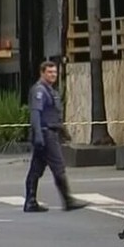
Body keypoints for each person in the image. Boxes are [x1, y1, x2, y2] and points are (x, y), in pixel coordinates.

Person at [24, 60, 88, 212]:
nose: (53, 75)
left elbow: (52, 114)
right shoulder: (39, 90)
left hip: (50, 132)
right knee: (58, 166)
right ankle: (68, 200)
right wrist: (39, 135)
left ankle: (30, 201)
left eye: (55, 72)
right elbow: (35, 114)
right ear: (42, 73)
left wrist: (62, 131)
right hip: (46, 134)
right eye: (50, 72)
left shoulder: (50, 90)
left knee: (36, 169)